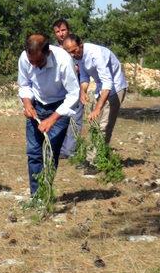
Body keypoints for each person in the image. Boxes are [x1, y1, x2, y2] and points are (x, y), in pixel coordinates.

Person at [18, 34, 80, 195]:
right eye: (32, 62)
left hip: (59, 108)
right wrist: (27, 104)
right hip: (37, 105)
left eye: (39, 62)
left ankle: (45, 193)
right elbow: (24, 85)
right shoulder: (25, 58)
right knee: (34, 153)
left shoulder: (64, 61)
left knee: (50, 153)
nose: (35, 66)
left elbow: (74, 94)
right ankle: (37, 195)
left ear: (48, 53)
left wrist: (52, 119)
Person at [62, 35, 128, 143]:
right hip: (101, 88)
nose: (73, 54)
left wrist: (97, 108)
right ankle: (92, 157)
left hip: (115, 88)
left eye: (74, 50)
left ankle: (97, 158)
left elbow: (107, 83)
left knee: (104, 126)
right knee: (95, 124)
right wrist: (82, 91)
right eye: (69, 52)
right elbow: (84, 76)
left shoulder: (97, 54)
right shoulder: (78, 56)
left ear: (81, 45)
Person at [52, 18, 83, 158]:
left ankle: (69, 150)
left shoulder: (75, 45)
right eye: (57, 31)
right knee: (59, 117)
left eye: (63, 30)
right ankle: (58, 147)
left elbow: (84, 63)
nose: (61, 33)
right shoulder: (52, 50)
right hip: (58, 90)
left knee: (75, 118)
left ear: (68, 30)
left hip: (75, 87)